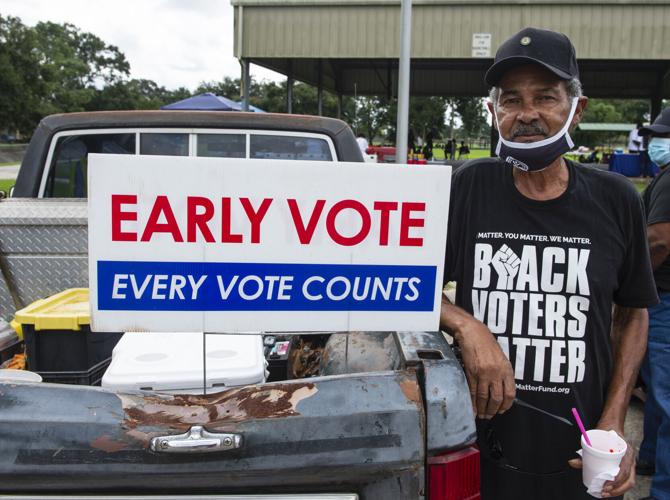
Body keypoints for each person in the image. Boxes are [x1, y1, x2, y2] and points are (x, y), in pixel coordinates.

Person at [439, 27, 657, 500]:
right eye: (511, 100)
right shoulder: (469, 186)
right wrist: (466, 327)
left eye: (546, 97)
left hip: (578, 449)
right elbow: (410, 283)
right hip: (478, 443)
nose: (527, 114)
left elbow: (633, 311)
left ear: (576, 109)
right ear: (494, 111)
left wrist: (615, 420)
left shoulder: (617, 199)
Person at [636, 107, 670, 500]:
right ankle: (649, 457)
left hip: (663, 301)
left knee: (665, 396)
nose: (655, 143)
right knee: (656, 391)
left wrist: (633, 288)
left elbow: (658, 240)